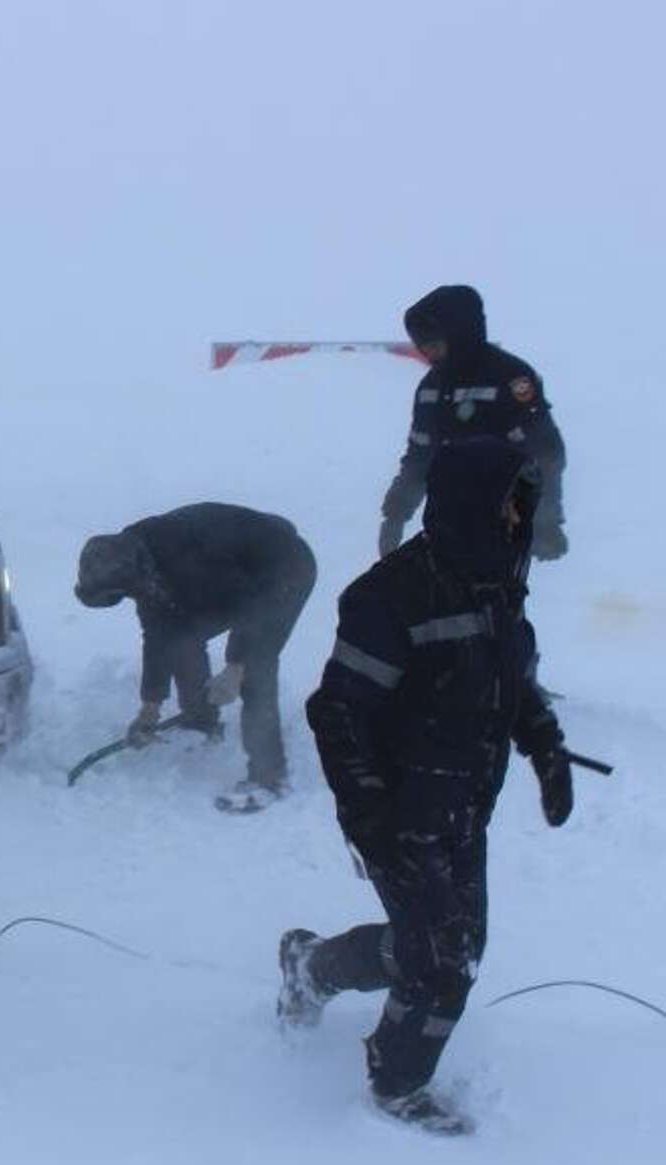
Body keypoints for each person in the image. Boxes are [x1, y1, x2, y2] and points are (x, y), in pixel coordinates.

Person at [278, 437, 571, 1136]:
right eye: (507, 500)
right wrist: (368, 813)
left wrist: (546, 744)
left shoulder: (498, 584)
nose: (515, 515)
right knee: (443, 961)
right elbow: (338, 713)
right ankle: (396, 1085)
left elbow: (510, 680)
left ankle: (311, 965)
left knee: (445, 946)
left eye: (519, 503)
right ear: (472, 502)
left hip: (466, 801)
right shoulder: (391, 594)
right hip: (399, 807)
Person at [74, 503, 317, 813]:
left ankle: (270, 778)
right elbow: (158, 635)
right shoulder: (135, 558)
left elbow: (251, 607)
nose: (125, 600)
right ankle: (201, 720)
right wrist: (150, 707)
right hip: (234, 580)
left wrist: (235, 668)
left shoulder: (186, 559)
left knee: (258, 666)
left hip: (282, 569)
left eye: (121, 595)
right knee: (179, 640)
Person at [379, 284, 567, 561]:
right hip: (448, 521)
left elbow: (546, 453)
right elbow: (420, 457)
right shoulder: (430, 390)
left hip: (506, 518)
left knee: (493, 598)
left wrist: (544, 520)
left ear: (458, 334)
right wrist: (395, 514)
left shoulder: (511, 377)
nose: (429, 354)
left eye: (434, 344)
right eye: (423, 348)